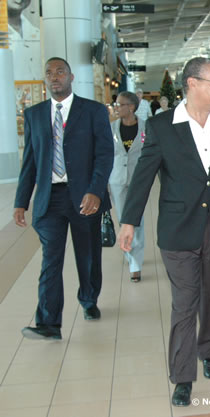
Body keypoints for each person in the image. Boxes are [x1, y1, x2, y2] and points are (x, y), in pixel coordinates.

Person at [118, 57, 210, 407]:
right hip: (178, 228)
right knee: (185, 303)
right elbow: (142, 177)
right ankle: (183, 377)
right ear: (192, 84)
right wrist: (129, 221)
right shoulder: (161, 126)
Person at [14, 57, 114, 340]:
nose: (54, 76)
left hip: (85, 196)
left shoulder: (93, 111)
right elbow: (30, 162)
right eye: (49, 73)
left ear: (71, 77)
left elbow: (105, 154)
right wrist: (21, 201)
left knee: (88, 255)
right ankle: (48, 322)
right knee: (50, 260)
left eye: (60, 72)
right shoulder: (34, 115)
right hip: (50, 200)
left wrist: (95, 190)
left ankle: (89, 299)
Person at [109, 91, 146, 282]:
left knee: (135, 220)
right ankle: (129, 252)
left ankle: (135, 263)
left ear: (130, 107)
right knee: (123, 220)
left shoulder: (145, 128)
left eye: (119, 104)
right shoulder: (111, 128)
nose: (116, 108)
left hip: (137, 180)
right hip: (116, 180)